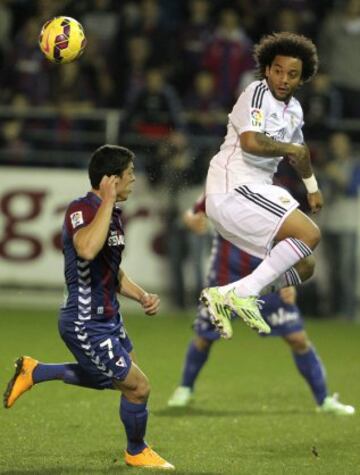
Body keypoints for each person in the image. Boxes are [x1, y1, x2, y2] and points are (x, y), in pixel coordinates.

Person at [3, 145, 174, 471]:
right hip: (85, 320)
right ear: (111, 180)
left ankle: (36, 371)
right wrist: (107, 201)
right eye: (129, 173)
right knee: (138, 387)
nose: (134, 179)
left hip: (109, 315)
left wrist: (141, 295)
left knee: (121, 378)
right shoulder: (80, 209)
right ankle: (136, 451)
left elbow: (113, 271)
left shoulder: (113, 215)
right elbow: (85, 248)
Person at [168, 201, 355, 416]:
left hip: (267, 278)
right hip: (225, 278)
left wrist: (289, 280)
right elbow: (191, 212)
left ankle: (324, 400)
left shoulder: (274, 195)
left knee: (297, 338)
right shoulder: (222, 188)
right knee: (204, 337)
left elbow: (295, 238)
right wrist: (191, 219)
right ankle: (185, 388)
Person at [201, 32, 323, 339]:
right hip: (233, 188)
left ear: (301, 78)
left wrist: (312, 187)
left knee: (305, 265)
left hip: (250, 197)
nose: (283, 79)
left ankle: (231, 294)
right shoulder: (257, 92)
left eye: (292, 74)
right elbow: (251, 142)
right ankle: (244, 293)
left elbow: (300, 153)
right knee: (309, 234)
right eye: (278, 71)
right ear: (267, 69)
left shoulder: (294, 111)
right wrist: (290, 149)